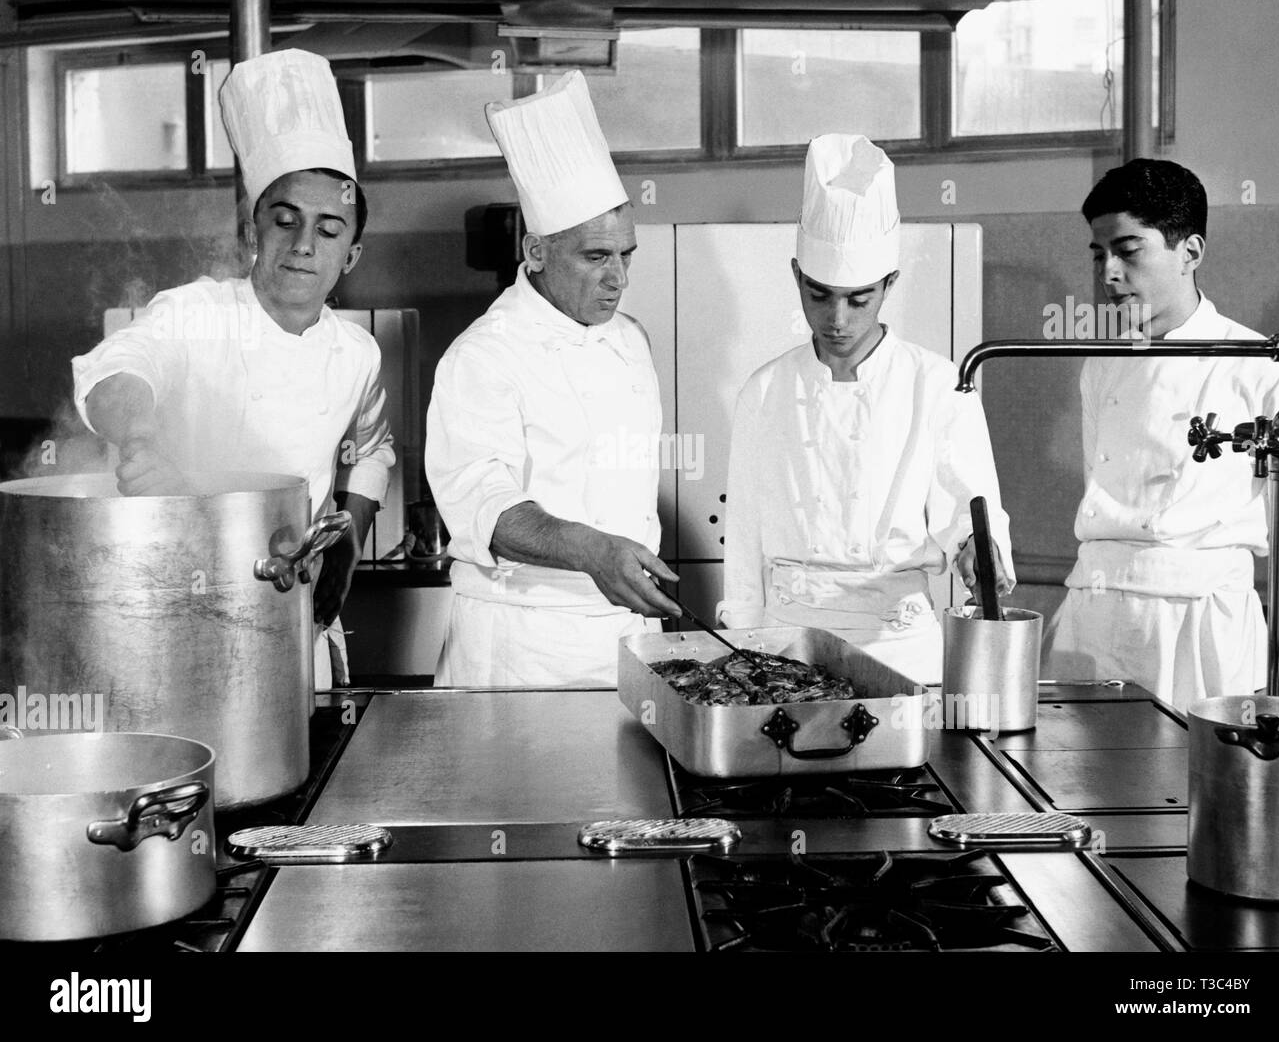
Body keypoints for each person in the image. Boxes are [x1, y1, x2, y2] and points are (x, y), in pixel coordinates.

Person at [72, 48, 394, 690]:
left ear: (350, 255)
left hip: (291, 608)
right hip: (178, 611)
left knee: (302, 777)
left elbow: (373, 450)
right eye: (286, 222)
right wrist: (140, 441)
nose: (304, 245)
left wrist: (351, 535)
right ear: (254, 234)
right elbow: (113, 372)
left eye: (329, 230)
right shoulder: (197, 312)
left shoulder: (358, 353)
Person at [718, 134, 1014, 684]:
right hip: (788, 645)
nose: (837, 319)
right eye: (819, 295)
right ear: (796, 276)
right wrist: (744, 646)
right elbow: (743, 544)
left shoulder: (936, 383)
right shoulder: (764, 391)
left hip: (899, 644)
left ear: (890, 284)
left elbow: (970, 508)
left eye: (860, 299)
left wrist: (980, 548)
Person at [426, 70, 679, 688]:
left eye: (626, 254)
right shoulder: (483, 356)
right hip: (523, 645)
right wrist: (593, 551)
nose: (618, 279)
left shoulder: (631, 339)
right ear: (536, 252)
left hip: (623, 635)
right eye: (596, 257)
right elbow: (485, 506)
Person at [1042, 158, 1279, 711]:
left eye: (1128, 250)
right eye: (1100, 254)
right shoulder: (1101, 366)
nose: (1108, 273)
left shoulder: (1258, 365)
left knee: (1197, 785)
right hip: (1093, 609)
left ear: (1191, 252)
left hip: (1197, 621)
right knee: (1069, 783)